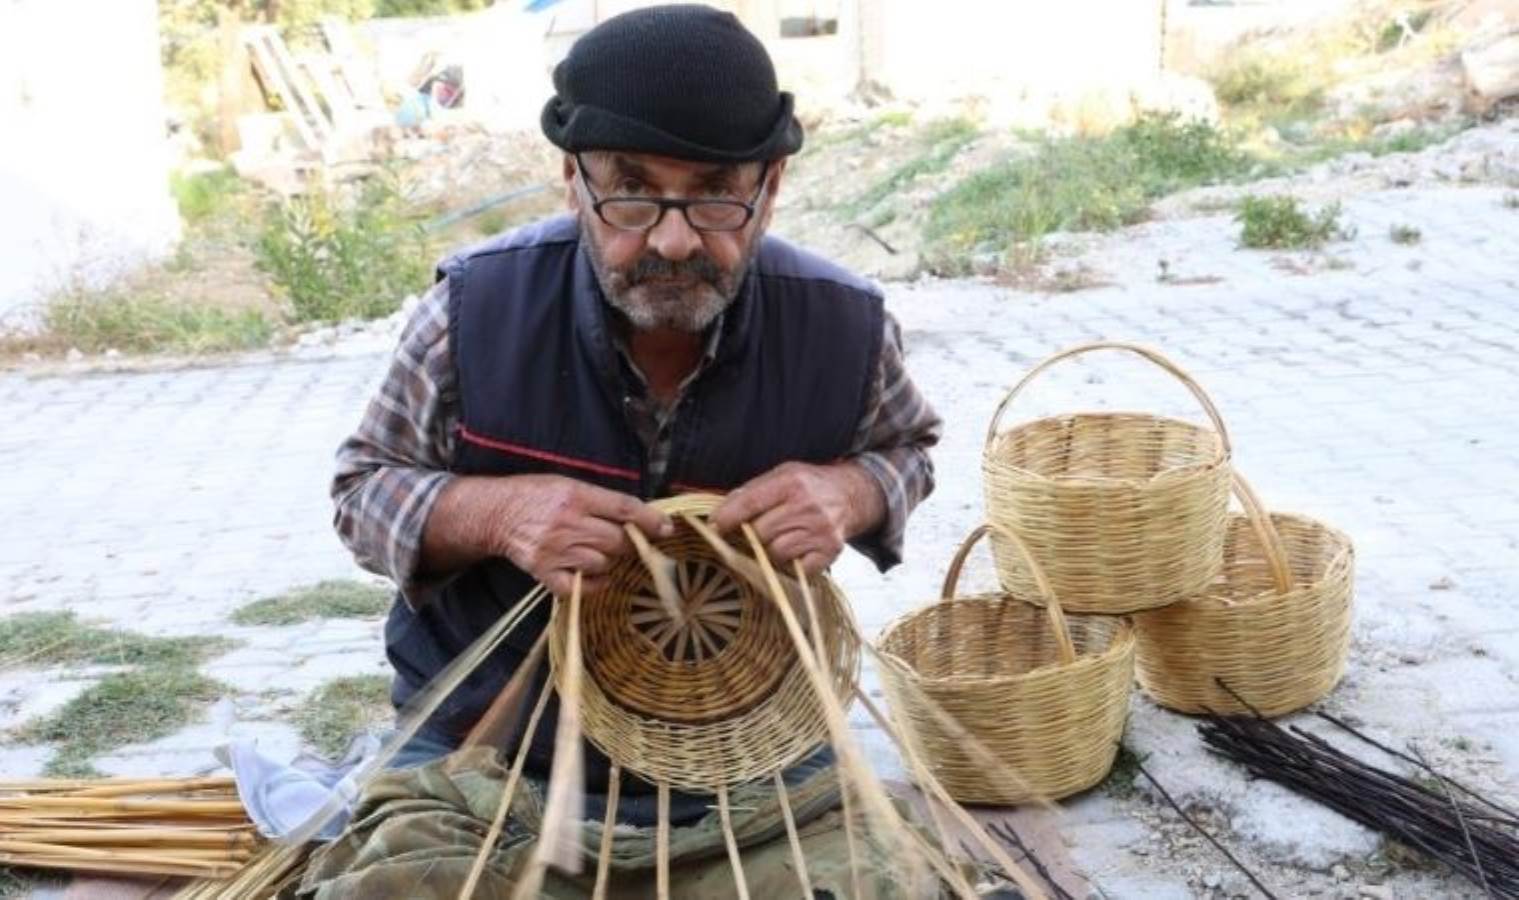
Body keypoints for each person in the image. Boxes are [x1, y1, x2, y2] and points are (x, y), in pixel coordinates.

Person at [314, 5, 957, 896]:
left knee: (885, 880)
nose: (673, 238)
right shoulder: (473, 312)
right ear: (570, 182)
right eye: (630, 190)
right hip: (493, 745)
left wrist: (850, 492)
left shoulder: (840, 324)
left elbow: (907, 451)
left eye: (715, 192)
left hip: (751, 748)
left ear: (771, 186)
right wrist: (498, 512)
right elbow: (361, 491)